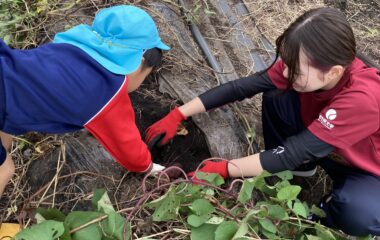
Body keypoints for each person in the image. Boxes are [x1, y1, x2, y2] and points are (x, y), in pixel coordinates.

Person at [146, 7, 380, 236]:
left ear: (334, 72)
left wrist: (225, 169)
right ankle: (299, 173)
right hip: (328, 148)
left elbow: (293, 151)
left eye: (296, 70)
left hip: (366, 169)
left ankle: (319, 215)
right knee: (278, 94)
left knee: (357, 212)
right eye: (287, 64)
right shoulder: (306, 64)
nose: (287, 73)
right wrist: (178, 114)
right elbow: (242, 87)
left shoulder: (363, 98)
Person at [0, 5, 169, 198]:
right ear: (139, 63)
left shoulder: (66, 49)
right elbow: (127, 146)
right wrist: (148, 167)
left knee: (5, 135)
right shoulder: (108, 90)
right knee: (5, 169)